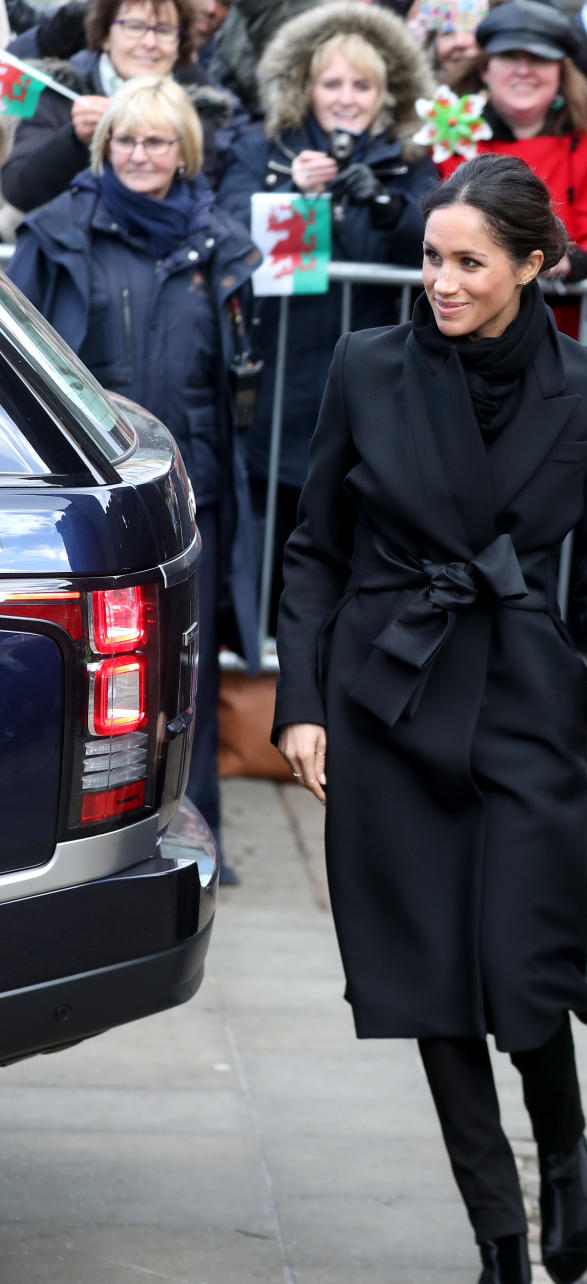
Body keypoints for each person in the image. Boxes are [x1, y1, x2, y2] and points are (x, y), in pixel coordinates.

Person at [272, 154, 587, 1284]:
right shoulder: (366, 366)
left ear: (534, 266)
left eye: (467, 263)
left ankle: (563, 1140)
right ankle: (497, 1244)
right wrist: (301, 700)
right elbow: (314, 549)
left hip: (526, 701)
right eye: (433, 258)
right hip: (387, 701)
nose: (439, 280)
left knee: (525, 962)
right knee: (432, 978)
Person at [6, 75, 262, 880]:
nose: (139, 155)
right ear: (103, 145)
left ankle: (200, 832)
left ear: (183, 152)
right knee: (112, 692)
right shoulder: (58, 233)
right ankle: (97, 845)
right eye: (125, 140)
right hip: (91, 494)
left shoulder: (219, 242)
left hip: (193, 484)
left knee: (188, 672)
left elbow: (233, 377)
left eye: (155, 141)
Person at [216, 0, 437, 627]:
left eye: (362, 85)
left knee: (356, 540)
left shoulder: (409, 158)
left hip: (376, 388)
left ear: (386, 92)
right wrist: (292, 197)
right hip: (282, 378)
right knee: (275, 539)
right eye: (331, 83)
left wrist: (393, 209)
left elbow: (444, 239)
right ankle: (261, 678)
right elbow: (232, 232)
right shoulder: (264, 146)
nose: (346, 98)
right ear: (304, 87)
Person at [0, 0, 248, 215]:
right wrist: (75, 140)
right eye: (134, 27)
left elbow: (213, 200)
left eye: (164, 30)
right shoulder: (60, 92)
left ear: (179, 43)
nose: (149, 42)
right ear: (105, 35)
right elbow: (20, 192)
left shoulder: (205, 109)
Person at [436, 0, 587, 283]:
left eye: (539, 59)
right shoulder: (450, 140)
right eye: (509, 56)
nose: (524, 70)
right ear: (484, 70)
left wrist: (563, 263)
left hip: (561, 316)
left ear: (560, 72)